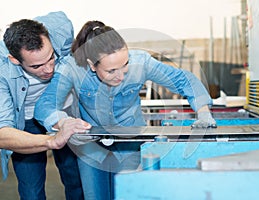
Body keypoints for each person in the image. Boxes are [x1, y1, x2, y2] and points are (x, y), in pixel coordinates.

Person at [35, 20, 217, 200]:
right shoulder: (72, 67)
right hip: (90, 147)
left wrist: (203, 112)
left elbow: (183, 80)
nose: (121, 75)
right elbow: (46, 104)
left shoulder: (142, 62)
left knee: (127, 194)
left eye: (125, 64)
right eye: (111, 70)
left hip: (130, 144)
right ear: (92, 65)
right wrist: (64, 122)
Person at [0, 11, 91, 200]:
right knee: (31, 190)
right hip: (25, 123)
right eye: (37, 66)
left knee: (77, 180)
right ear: (14, 60)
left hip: (64, 113)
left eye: (51, 58)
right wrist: (51, 141)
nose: (49, 69)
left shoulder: (61, 27)